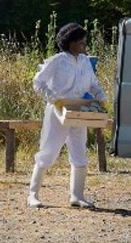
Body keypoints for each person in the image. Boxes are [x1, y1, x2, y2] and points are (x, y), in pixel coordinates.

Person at [27, 23, 107, 208]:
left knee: (79, 154)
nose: (84, 45)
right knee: (48, 152)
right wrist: (55, 100)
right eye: (81, 42)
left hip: (80, 110)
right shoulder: (57, 60)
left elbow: (92, 84)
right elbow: (38, 82)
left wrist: (101, 96)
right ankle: (33, 195)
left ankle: (77, 196)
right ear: (70, 42)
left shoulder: (85, 61)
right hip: (57, 111)